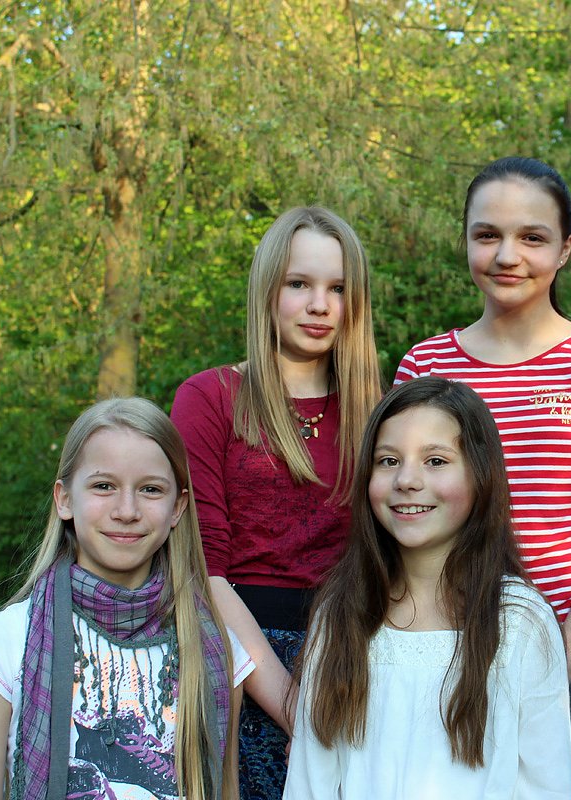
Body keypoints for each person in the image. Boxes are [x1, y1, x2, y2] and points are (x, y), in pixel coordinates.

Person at [395, 157, 571, 798]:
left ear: (565, 249)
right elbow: (401, 513)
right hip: (439, 649)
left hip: (567, 653)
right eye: (487, 235)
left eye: (532, 237)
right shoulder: (425, 366)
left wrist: (552, 665)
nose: (507, 255)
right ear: (466, 240)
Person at [170, 207, 383, 799]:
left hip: (351, 654)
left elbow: (389, 559)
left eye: (337, 288)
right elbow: (200, 567)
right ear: (267, 289)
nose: (319, 305)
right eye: (299, 284)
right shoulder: (209, 398)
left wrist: (331, 686)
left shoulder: (378, 411)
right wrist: (292, 705)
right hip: (235, 655)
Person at [284, 376, 571, 798]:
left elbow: (547, 784)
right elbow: (310, 782)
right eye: (388, 460)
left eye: (435, 461)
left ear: (481, 475)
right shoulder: (343, 611)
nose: (406, 480)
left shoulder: (517, 620)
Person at [0, 397, 253, 800]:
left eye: (150, 489)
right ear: (64, 499)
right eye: (103, 486)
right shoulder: (0, 646)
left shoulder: (216, 648)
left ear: (177, 508)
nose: (126, 511)